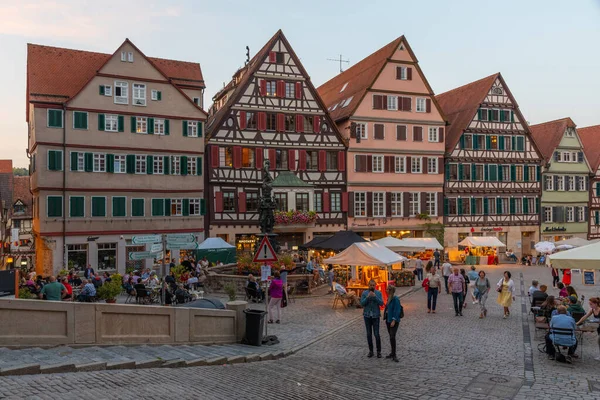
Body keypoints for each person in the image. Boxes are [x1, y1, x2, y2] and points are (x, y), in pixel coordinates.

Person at [360, 279, 384, 358]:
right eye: (371, 285)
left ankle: (378, 351)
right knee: (368, 334)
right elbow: (362, 303)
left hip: (375, 315)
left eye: (373, 285)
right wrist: (367, 297)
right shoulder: (364, 293)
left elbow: (381, 303)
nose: (372, 287)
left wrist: (375, 297)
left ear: (375, 285)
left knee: (376, 334)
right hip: (367, 316)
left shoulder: (378, 293)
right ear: (368, 285)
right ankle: (371, 351)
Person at [384, 285, 401, 363]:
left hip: (393, 320)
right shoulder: (389, 298)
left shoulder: (395, 299)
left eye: (387, 289)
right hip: (388, 319)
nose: (386, 290)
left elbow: (397, 310)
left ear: (391, 290)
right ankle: (392, 353)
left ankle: (394, 354)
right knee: (391, 336)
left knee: (392, 336)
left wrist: (394, 320)